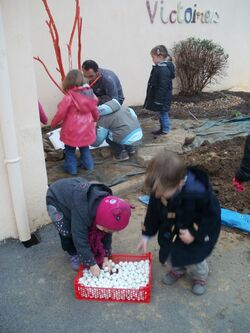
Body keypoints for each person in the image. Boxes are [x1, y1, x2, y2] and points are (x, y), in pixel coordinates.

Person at [137, 150, 221, 295]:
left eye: (162, 192)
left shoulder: (199, 194)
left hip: (196, 230)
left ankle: (200, 277)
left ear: (180, 183)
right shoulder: (160, 190)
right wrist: (146, 235)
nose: (157, 195)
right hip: (174, 226)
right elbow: (153, 213)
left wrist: (194, 233)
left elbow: (211, 217)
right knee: (172, 250)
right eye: (155, 191)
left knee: (195, 257)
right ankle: (178, 269)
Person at [46, 177, 132, 276]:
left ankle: (83, 251)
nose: (106, 231)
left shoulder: (107, 209)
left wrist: (105, 256)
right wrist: (91, 264)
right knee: (67, 231)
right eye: (106, 229)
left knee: (84, 227)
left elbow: (107, 236)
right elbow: (79, 238)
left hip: (75, 196)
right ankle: (73, 252)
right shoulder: (82, 213)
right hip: (56, 198)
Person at [51, 69, 98, 175]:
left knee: (69, 151)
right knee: (85, 148)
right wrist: (95, 119)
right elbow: (94, 109)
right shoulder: (91, 94)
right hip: (87, 127)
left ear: (68, 81)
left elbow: (60, 113)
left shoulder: (69, 97)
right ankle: (89, 167)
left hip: (71, 129)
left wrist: (53, 123)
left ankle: (72, 170)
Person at [144, 45, 175, 136]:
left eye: (153, 57)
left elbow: (163, 87)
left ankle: (165, 130)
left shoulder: (164, 70)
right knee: (162, 113)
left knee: (163, 114)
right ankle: (162, 129)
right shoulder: (161, 67)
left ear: (160, 57)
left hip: (163, 98)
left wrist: (159, 100)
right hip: (162, 97)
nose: (152, 60)